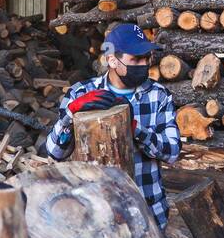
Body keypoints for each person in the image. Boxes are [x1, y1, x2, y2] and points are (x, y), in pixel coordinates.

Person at [45, 22, 181, 227]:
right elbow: (55, 152)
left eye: (146, 58)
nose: (143, 64)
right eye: (135, 59)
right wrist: (70, 115)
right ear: (112, 60)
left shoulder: (158, 95)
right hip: (94, 215)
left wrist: (134, 128)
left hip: (147, 211)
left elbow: (172, 151)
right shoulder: (80, 93)